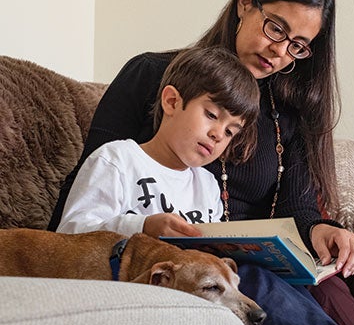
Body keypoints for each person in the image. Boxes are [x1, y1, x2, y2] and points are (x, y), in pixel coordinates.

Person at [49, 0, 354, 325]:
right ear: (246, 4)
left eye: (298, 45)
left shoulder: (286, 112)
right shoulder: (152, 76)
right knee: (325, 292)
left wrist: (320, 229)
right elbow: (85, 194)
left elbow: (298, 205)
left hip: (260, 245)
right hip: (203, 252)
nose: (280, 52)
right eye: (276, 28)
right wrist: (144, 227)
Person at [56, 46, 259, 236]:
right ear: (171, 102)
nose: (219, 135)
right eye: (212, 115)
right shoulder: (117, 160)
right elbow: (71, 234)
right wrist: (142, 228)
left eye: (230, 132)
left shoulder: (207, 186)